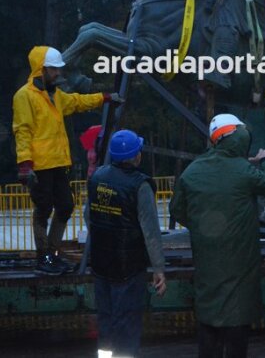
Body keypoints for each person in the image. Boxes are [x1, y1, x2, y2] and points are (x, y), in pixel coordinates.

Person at [170, 113, 265, 358]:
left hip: (207, 261)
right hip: (240, 264)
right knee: (237, 319)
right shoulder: (243, 171)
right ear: (237, 136)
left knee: (209, 318)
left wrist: (204, 228)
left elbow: (177, 210)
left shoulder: (193, 171)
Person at [12, 45, 122, 274]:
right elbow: (22, 130)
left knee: (65, 206)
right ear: (41, 70)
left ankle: (52, 254)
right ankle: (44, 259)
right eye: (54, 70)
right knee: (43, 209)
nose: (58, 74)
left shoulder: (55, 96)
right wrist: (25, 164)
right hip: (40, 166)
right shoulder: (24, 96)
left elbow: (77, 102)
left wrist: (104, 98)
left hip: (58, 163)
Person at [88, 129, 166, 357]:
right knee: (127, 324)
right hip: (128, 268)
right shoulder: (140, 186)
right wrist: (159, 268)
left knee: (106, 321)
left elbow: (89, 216)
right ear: (136, 156)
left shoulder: (98, 177)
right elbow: (150, 231)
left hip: (101, 265)